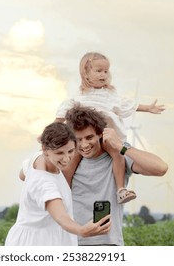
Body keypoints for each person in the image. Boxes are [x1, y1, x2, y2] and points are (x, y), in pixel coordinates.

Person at [55, 52, 165, 204]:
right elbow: (64, 111)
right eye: (98, 71)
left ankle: (120, 189)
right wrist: (52, 133)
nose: (103, 75)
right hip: (72, 224)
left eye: (106, 71)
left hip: (107, 135)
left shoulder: (110, 95)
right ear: (85, 73)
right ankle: (63, 191)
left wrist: (147, 108)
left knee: (117, 154)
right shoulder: (79, 95)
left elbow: (126, 104)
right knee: (73, 158)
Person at [63, 104, 168, 245]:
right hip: (72, 244)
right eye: (78, 140)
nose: (84, 145)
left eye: (89, 137)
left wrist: (120, 145)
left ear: (101, 133)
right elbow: (27, 175)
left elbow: (160, 168)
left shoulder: (118, 155)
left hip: (109, 245)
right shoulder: (68, 160)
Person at [5, 122, 111, 246]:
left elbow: (22, 174)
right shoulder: (44, 183)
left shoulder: (38, 158)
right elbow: (61, 216)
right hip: (38, 243)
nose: (66, 158)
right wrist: (82, 231)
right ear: (45, 150)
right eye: (60, 153)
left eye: (70, 151)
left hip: (27, 238)